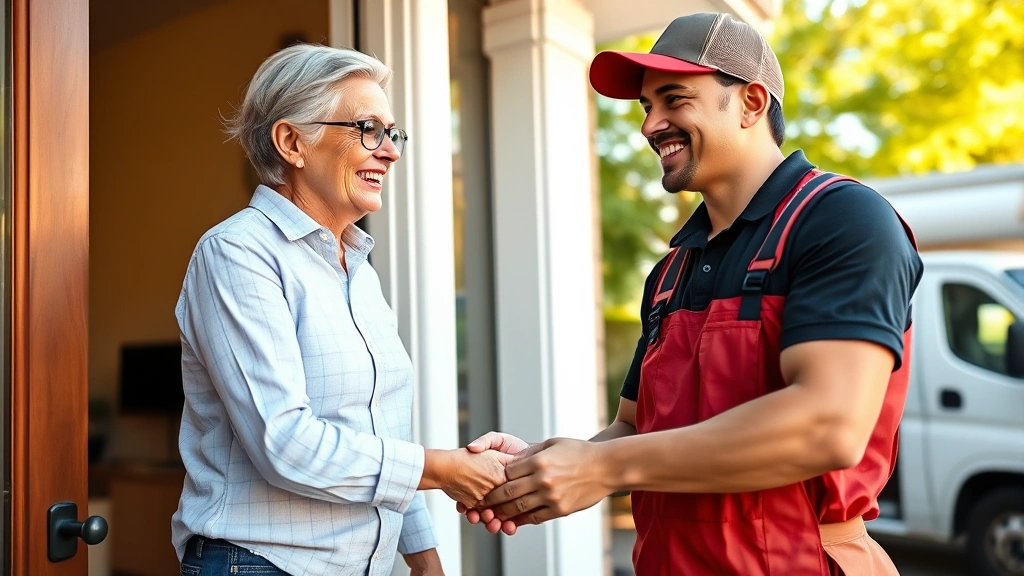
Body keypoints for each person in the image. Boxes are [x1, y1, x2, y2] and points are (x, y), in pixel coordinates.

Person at [460, 12, 922, 576]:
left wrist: (604, 469)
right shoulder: (672, 271)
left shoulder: (843, 220)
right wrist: (542, 468)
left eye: (674, 100)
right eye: (646, 107)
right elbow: (632, 430)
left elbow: (827, 427)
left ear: (752, 102)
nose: (651, 125)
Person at [171, 44, 510, 576]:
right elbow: (283, 442)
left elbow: (384, 440)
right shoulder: (237, 253)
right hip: (258, 564)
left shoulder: (358, 270)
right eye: (368, 129)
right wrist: (443, 469)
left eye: (392, 133)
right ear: (292, 142)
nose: (391, 152)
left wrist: (426, 562)